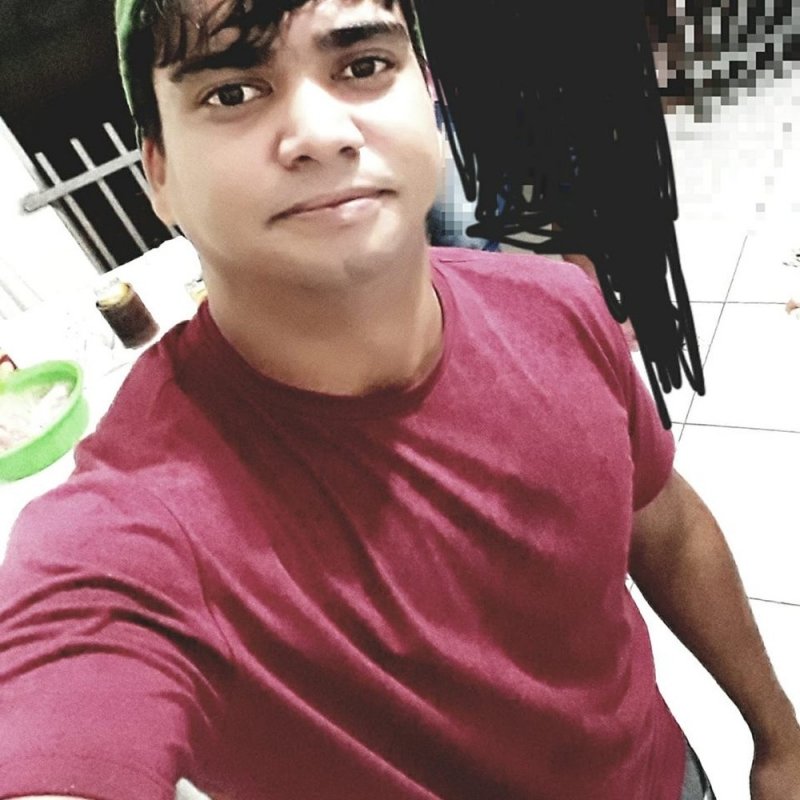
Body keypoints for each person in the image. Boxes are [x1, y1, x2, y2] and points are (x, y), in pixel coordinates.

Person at [0, 1, 798, 798]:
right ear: (159, 171)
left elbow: (665, 525)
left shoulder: (557, 307)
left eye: (363, 66)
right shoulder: (130, 532)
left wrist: (780, 739)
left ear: (428, 93)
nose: (321, 132)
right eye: (232, 92)